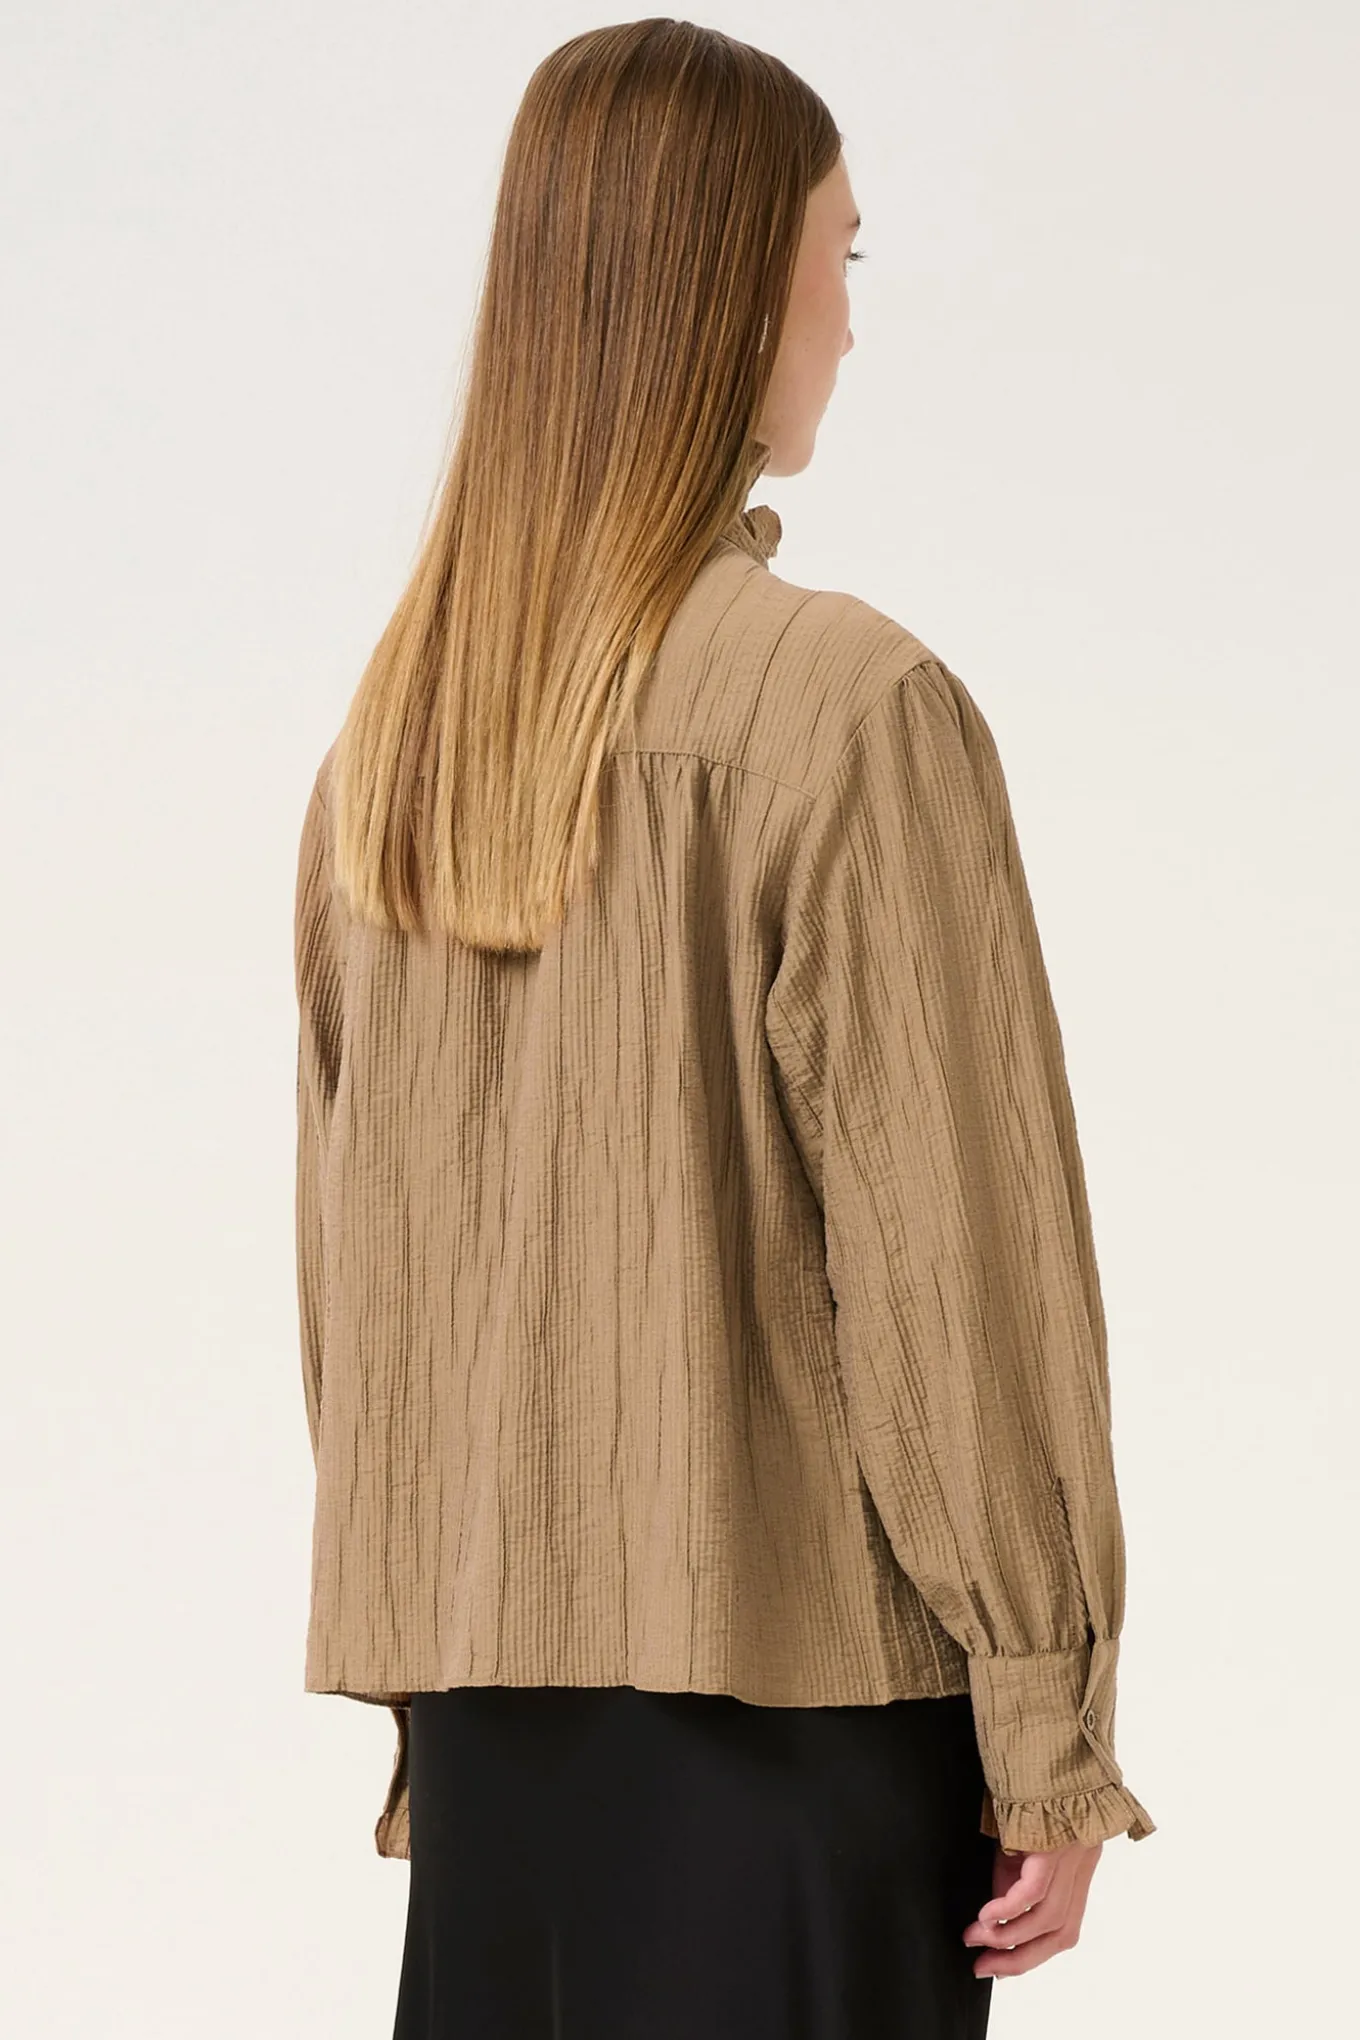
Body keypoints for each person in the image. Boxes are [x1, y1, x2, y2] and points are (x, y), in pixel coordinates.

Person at [292, 19, 1156, 2038]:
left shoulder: (389, 755)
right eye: (837, 258)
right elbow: (955, 1268)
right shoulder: (841, 709)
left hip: (497, 1747)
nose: (849, 322)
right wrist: (1045, 1719)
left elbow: (359, 1290)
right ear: (731, 287)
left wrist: (438, 1661)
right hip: (799, 1744)